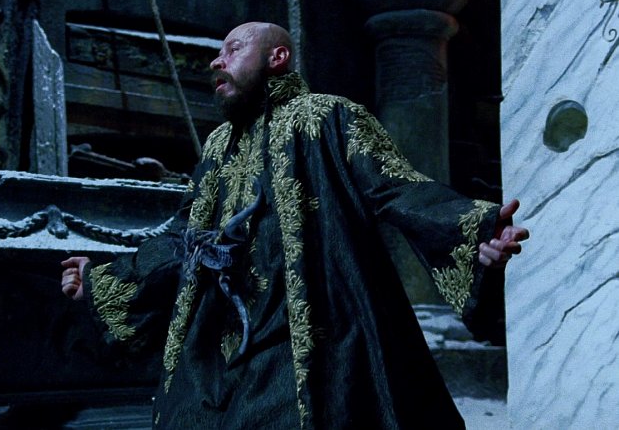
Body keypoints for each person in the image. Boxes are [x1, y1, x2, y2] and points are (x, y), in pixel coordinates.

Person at [60, 22, 528, 429]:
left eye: (233, 49)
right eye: (219, 53)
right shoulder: (219, 143)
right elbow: (184, 235)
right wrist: (107, 281)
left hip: (314, 336)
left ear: (277, 57)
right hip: (224, 347)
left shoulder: (326, 116)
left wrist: (473, 230)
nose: (216, 62)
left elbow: (396, 187)